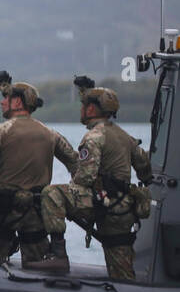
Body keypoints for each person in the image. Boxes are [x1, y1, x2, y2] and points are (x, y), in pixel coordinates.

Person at [26, 83, 152, 279]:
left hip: (104, 204)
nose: (81, 109)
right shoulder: (125, 136)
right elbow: (145, 169)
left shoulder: (94, 137)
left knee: (52, 193)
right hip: (124, 209)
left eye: (83, 104)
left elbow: (85, 177)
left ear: (91, 108)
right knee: (121, 267)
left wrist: (72, 185)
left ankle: (58, 255)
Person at [0, 75, 79, 264]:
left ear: (18, 102)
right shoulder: (51, 134)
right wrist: (72, 193)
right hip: (36, 212)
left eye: (7, 98)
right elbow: (76, 163)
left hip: (4, 211)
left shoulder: (0, 131)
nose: (2, 102)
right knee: (38, 265)